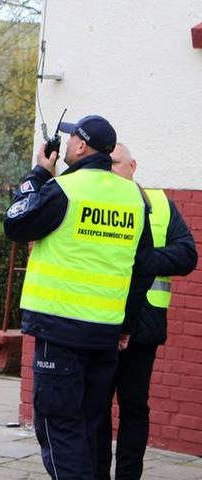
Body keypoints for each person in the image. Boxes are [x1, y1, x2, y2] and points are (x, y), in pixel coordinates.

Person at [4, 115, 155, 480]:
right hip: (104, 335)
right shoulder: (133, 198)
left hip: (60, 332)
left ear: (82, 147)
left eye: (72, 139)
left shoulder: (66, 190)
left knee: (59, 428)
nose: (68, 143)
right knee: (88, 427)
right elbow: (141, 268)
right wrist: (127, 326)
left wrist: (39, 174)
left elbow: (15, 222)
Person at [95, 144, 198, 480]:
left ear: (133, 166)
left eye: (115, 163)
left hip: (143, 326)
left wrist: (142, 261)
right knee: (96, 409)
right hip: (102, 321)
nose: (110, 170)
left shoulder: (159, 204)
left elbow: (186, 255)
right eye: (105, 164)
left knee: (134, 408)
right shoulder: (94, 202)